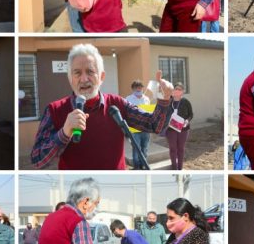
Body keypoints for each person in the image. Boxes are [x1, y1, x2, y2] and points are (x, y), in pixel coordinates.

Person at [31, 44, 173, 170]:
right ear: (70, 78)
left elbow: (155, 125)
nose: (84, 79)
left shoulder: (117, 104)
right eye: (77, 73)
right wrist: (64, 132)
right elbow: (38, 160)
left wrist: (164, 99)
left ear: (102, 76)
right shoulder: (54, 110)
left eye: (90, 72)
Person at [166, 83, 193, 170]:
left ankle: (180, 167)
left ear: (183, 92)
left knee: (181, 148)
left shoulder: (185, 102)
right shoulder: (168, 101)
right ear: (173, 90)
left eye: (180, 89)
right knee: (173, 148)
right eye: (176, 89)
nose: (177, 90)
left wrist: (187, 121)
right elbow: (163, 113)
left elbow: (191, 114)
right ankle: (174, 167)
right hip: (171, 129)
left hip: (183, 129)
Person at [125, 80, 151, 169]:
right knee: (136, 148)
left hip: (145, 128)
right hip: (134, 129)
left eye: (140, 87)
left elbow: (149, 113)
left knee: (145, 148)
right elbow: (126, 113)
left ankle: (143, 165)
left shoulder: (147, 99)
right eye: (136, 87)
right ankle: (136, 167)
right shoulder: (128, 99)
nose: (139, 89)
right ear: (133, 89)